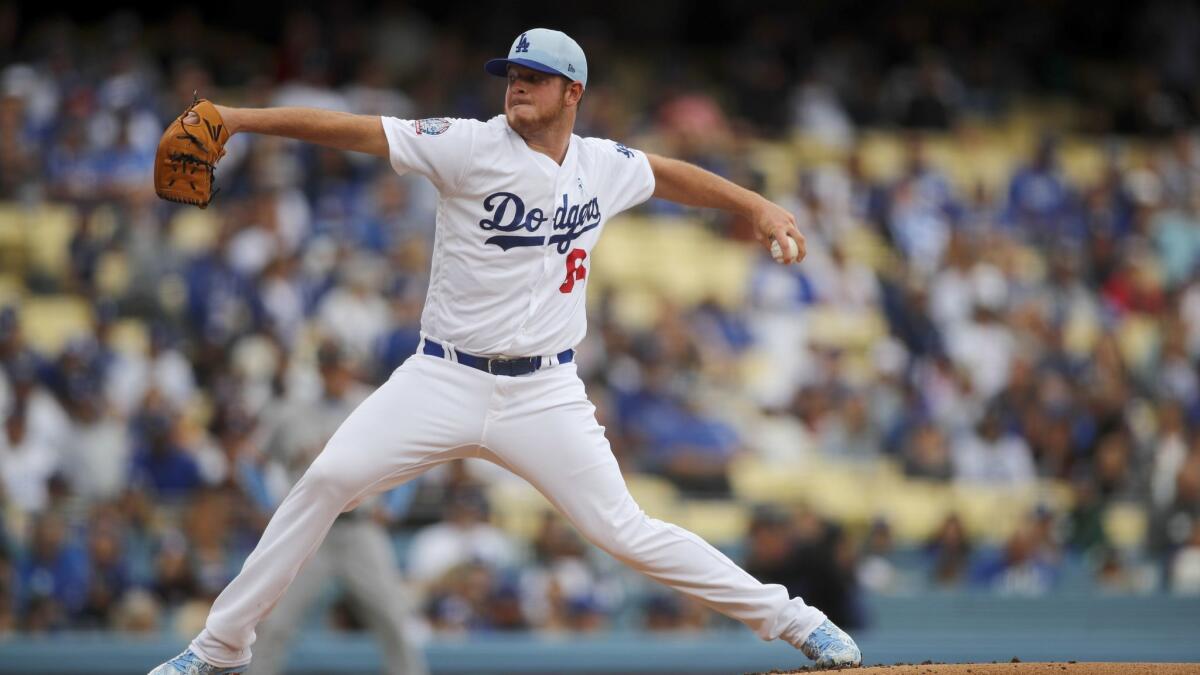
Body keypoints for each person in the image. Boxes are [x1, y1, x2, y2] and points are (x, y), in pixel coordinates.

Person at [149, 28, 860, 674]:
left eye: (534, 75)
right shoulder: (467, 143)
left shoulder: (600, 164)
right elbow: (354, 132)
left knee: (625, 530)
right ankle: (219, 648)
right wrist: (239, 118)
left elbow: (667, 172)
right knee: (327, 479)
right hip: (441, 375)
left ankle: (800, 621)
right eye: (511, 73)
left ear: (572, 92)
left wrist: (756, 205)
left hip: (543, 394)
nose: (516, 84)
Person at [242, 342, 428, 675]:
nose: (336, 374)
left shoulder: (374, 402)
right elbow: (249, 462)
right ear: (320, 369)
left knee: (394, 619)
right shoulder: (290, 411)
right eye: (330, 367)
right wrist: (268, 505)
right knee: (275, 623)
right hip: (308, 532)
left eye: (341, 367)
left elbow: (416, 452)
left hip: (360, 529)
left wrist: (395, 503)